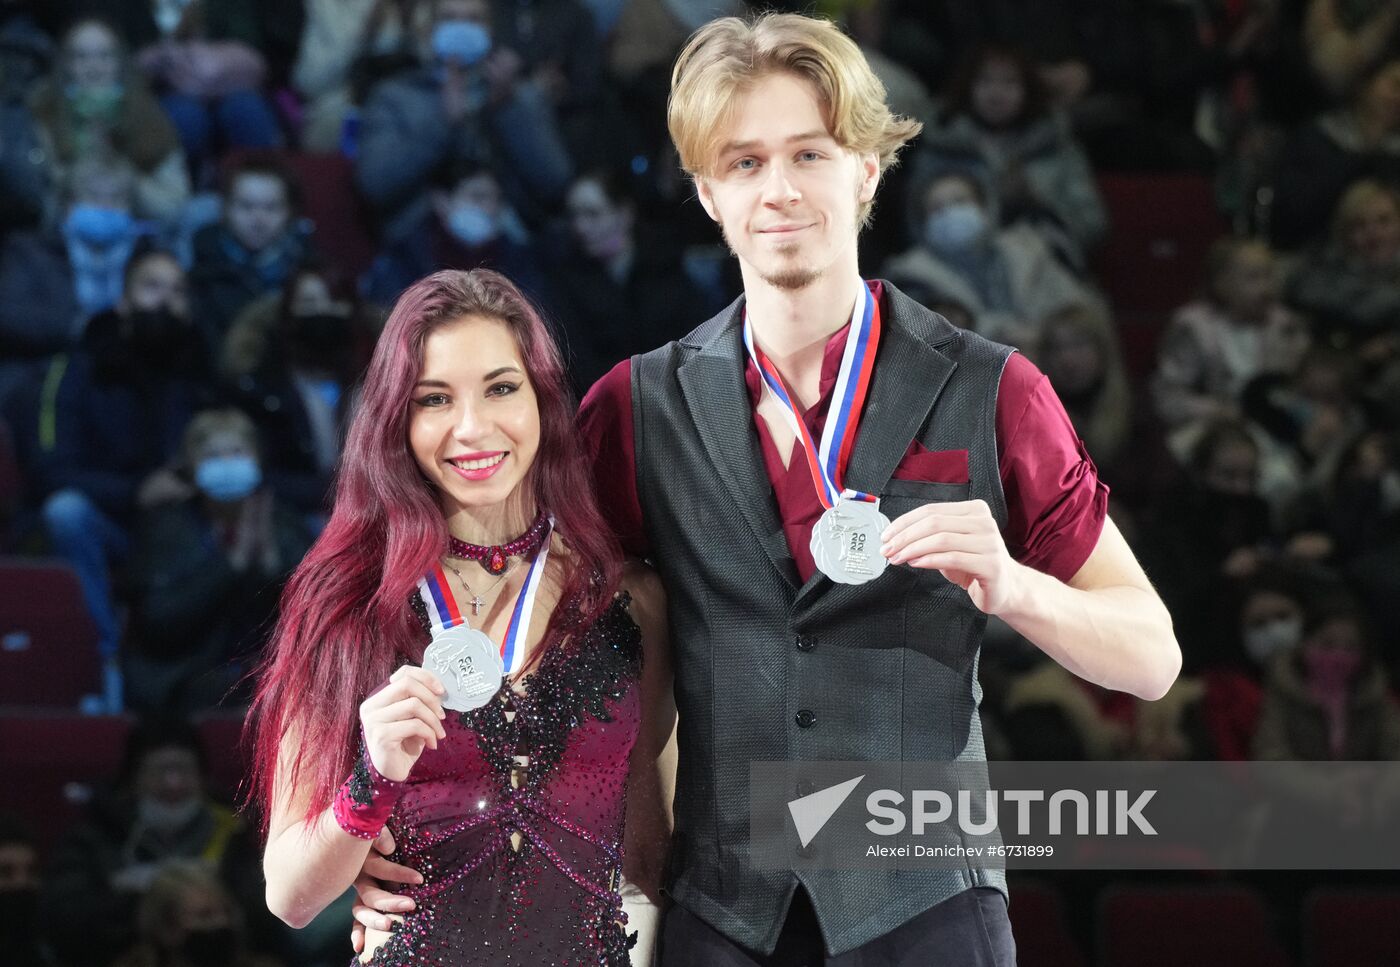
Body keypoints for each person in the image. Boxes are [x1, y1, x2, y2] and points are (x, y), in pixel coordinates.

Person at [357, 13, 1179, 965]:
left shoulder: (994, 388)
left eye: (810, 154)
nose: (779, 190)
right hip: (722, 909)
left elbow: (1152, 657)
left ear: (867, 168)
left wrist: (1015, 586)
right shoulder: (636, 404)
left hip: (927, 901)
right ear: (707, 191)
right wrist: (413, 830)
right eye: (744, 163)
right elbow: (523, 621)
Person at [250, 269, 675, 965]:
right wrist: (371, 782)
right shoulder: (350, 603)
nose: (473, 427)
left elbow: (652, 858)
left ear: (542, 399)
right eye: (434, 399)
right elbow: (290, 896)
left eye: (501, 388)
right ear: (396, 420)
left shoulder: (627, 600)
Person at [127, 408, 314, 715]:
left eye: (238, 452)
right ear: (192, 465)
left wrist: (269, 567)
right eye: (213, 455)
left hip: (271, 681)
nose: (227, 463)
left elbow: (308, 613)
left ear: (257, 459)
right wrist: (230, 566)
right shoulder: (166, 527)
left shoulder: (283, 524)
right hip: (182, 683)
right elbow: (158, 620)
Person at [30, 17, 191, 226]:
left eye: (104, 56)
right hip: (57, 236)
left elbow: (175, 205)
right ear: (66, 64)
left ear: (120, 63)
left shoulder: (150, 119)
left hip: (136, 235)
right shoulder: (42, 115)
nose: (94, 67)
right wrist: (71, 180)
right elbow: (32, 198)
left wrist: (130, 182)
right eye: (81, 57)